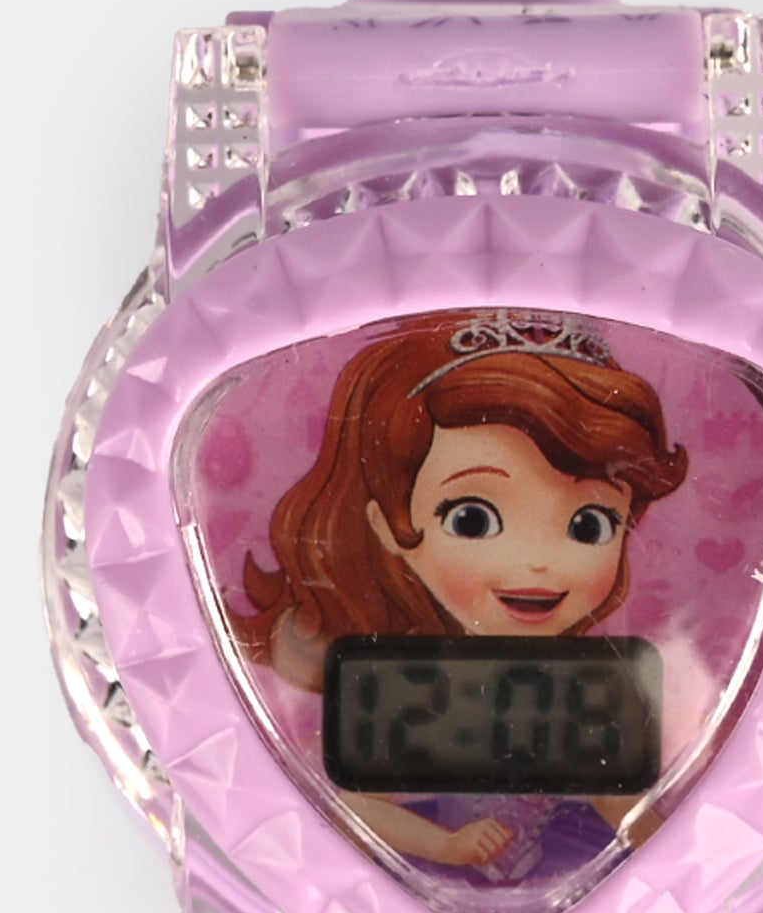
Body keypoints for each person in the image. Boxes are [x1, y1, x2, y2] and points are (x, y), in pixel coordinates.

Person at [230, 311, 687, 874]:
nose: (538, 563)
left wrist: (682, 860)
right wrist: (444, 846)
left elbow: (620, 799)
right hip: (422, 873)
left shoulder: (589, 684)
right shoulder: (397, 683)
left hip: (575, 869)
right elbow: (352, 807)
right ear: (387, 525)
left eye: (589, 525)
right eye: (471, 519)